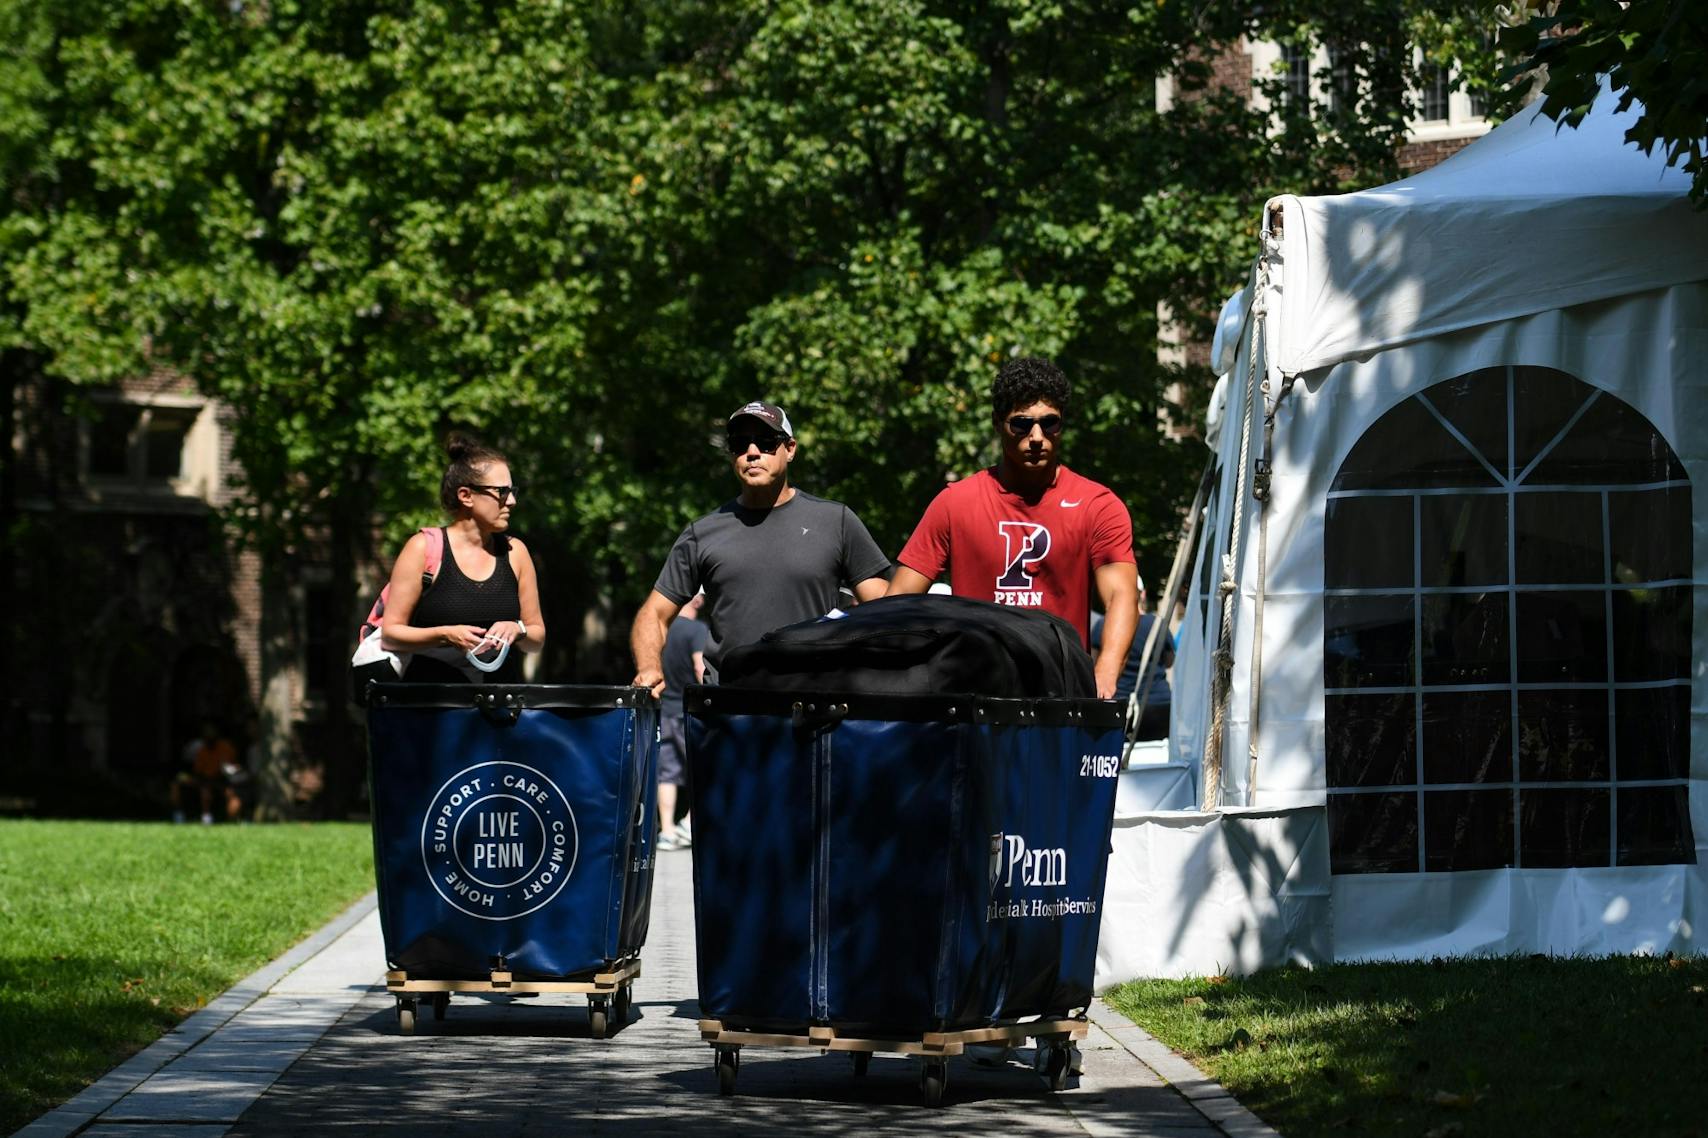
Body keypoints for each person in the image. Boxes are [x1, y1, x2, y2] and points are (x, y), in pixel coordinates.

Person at [887, 357, 1140, 699]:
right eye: (1021, 424)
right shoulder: (954, 503)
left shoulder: (1098, 505)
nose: (1037, 437)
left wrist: (1104, 675)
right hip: (973, 697)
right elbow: (898, 603)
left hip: (1061, 696)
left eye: (1049, 423)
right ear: (998, 423)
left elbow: (1122, 594)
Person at [631, 400, 892, 695]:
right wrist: (649, 667)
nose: (752, 452)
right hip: (727, 709)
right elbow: (654, 614)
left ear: (790, 449)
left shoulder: (835, 521)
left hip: (812, 707)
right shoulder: (702, 533)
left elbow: (886, 611)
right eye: (740, 444)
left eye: (766, 442)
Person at [381, 434, 545, 683]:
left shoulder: (516, 552)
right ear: (466, 495)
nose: (511, 501)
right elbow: (391, 635)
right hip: (432, 701)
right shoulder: (422, 548)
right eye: (501, 492)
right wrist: (445, 634)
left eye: (512, 491)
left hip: (502, 700)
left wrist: (518, 629)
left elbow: (537, 638)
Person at [656, 591, 708, 851]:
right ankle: (688, 823)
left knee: (667, 771)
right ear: (697, 600)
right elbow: (700, 667)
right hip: (688, 709)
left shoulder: (663, 629)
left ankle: (666, 830)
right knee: (703, 767)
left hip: (665, 707)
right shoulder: (697, 630)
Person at [1091, 579, 1173, 740]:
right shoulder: (1157, 624)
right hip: (1158, 703)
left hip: (1118, 705)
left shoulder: (1104, 624)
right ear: (1142, 594)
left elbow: (1094, 663)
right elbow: (1169, 661)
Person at [172, 721, 237, 824]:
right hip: (204, 780)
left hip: (221, 780)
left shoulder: (226, 748)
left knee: (214, 791)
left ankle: (219, 818)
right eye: (206, 732)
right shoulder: (202, 750)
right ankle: (178, 816)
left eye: (211, 732)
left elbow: (231, 769)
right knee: (177, 782)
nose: (208, 734)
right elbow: (198, 771)